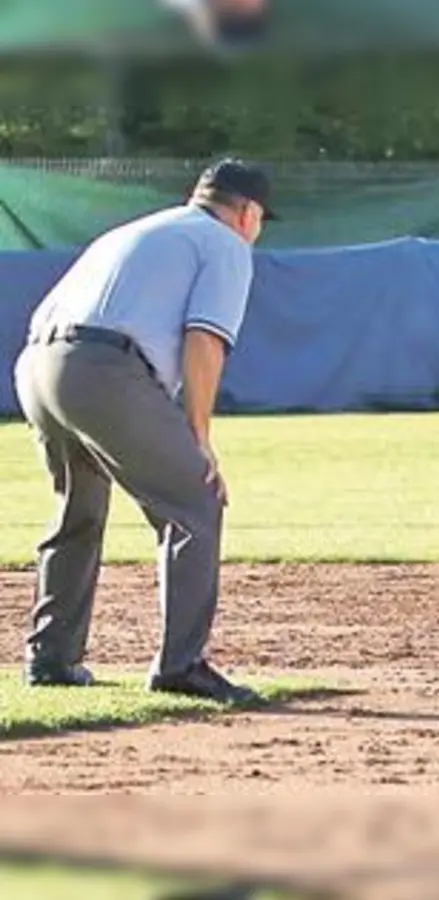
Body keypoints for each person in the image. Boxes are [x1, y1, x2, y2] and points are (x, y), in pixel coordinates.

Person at [14, 158, 276, 704]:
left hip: (38, 365)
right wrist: (199, 438)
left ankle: (51, 658)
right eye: (260, 220)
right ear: (248, 213)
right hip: (102, 369)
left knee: (78, 508)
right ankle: (181, 666)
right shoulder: (225, 244)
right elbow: (205, 340)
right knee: (196, 503)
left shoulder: (142, 229)